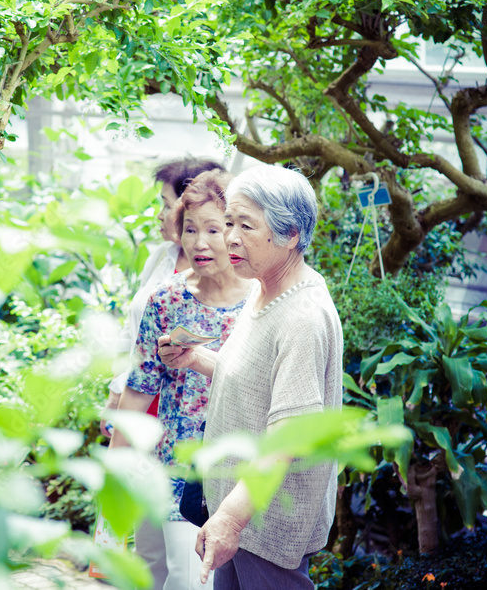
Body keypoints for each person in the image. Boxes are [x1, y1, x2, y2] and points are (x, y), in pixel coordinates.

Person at [157, 164, 343, 590]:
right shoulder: (264, 288)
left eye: (246, 225)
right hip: (240, 513)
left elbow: (288, 437)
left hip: (265, 521)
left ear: (290, 234)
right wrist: (196, 358)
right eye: (229, 223)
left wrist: (228, 520)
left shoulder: (302, 316)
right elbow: (258, 381)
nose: (230, 238)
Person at [108, 170, 250, 590]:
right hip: (162, 460)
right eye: (190, 229)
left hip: (222, 474)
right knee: (146, 573)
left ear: (236, 233)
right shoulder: (166, 298)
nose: (199, 242)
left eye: (213, 229)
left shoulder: (260, 303)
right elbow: (141, 385)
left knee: (190, 581)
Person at [101, 156, 226, 436]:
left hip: (189, 412)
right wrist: (116, 390)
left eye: (167, 205)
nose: (160, 214)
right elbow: (132, 329)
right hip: (140, 395)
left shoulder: (232, 276)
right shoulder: (161, 257)